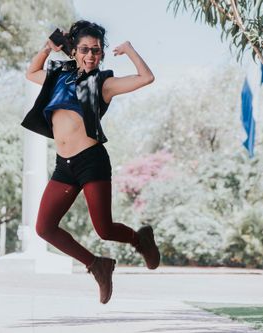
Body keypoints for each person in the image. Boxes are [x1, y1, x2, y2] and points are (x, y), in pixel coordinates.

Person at [21, 20, 159, 304]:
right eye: (84, 49)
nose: (90, 55)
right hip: (64, 165)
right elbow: (31, 72)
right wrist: (47, 48)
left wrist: (131, 50)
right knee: (44, 228)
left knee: (104, 229)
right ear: (74, 51)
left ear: (101, 54)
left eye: (96, 51)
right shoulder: (58, 75)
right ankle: (97, 265)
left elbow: (146, 78)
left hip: (91, 161)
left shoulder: (104, 83)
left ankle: (140, 239)